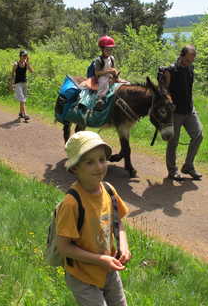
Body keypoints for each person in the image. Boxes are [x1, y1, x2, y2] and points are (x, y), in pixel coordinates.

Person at [57, 131, 131, 305]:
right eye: (90, 162)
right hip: (82, 275)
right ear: (75, 168)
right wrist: (99, 260)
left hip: (108, 270)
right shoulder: (71, 203)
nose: (99, 167)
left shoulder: (109, 190)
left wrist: (123, 245)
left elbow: (118, 222)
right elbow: (63, 247)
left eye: (102, 160)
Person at [162, 44, 204, 181]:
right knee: (173, 142)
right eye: (187, 61)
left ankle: (188, 166)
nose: (188, 64)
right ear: (181, 56)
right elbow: (163, 90)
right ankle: (172, 170)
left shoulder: (190, 68)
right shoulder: (170, 71)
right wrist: (169, 103)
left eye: (191, 61)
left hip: (189, 110)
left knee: (198, 135)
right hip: (175, 112)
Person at [93, 36, 119, 111]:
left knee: (124, 83)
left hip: (110, 76)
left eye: (111, 49)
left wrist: (115, 74)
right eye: (107, 49)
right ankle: (99, 99)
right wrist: (109, 71)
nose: (109, 51)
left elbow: (113, 68)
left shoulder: (112, 58)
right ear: (102, 49)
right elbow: (97, 73)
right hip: (101, 77)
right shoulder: (99, 60)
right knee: (104, 82)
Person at [10, 50, 34, 120]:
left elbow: (32, 71)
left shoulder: (26, 64)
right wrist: (11, 84)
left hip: (24, 83)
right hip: (17, 84)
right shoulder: (16, 64)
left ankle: (21, 113)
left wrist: (28, 63)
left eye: (26, 56)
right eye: (24, 56)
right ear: (20, 56)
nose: (25, 57)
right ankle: (25, 114)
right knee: (22, 99)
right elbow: (12, 74)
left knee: (23, 99)